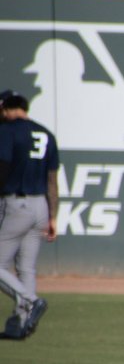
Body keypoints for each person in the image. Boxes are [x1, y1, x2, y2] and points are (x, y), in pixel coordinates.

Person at [0, 92, 58, 340]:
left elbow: (2, 168)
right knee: (26, 267)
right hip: (40, 206)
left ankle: (29, 300)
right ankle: (23, 324)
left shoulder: (8, 131)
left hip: (17, 204)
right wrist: (53, 215)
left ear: (5, 109)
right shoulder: (46, 133)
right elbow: (52, 179)